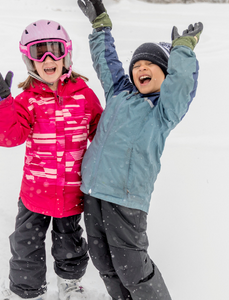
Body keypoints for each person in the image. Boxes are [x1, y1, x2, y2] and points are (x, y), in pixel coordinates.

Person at [77, 1, 203, 299]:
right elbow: (106, 62)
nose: (141, 68)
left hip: (126, 198)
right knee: (104, 262)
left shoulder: (163, 109)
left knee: (132, 267)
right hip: (93, 192)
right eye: (137, 65)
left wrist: (182, 51)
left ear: (166, 75)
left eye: (151, 65)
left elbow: (182, 84)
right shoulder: (119, 92)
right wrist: (101, 27)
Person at [0, 19, 103, 300]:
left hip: (73, 192)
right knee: (27, 246)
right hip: (35, 193)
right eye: (40, 53)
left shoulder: (84, 97)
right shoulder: (27, 100)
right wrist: (3, 105)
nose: (48, 59)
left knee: (70, 244)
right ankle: (28, 292)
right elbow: (8, 138)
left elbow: (101, 136)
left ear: (67, 55)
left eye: (54, 50)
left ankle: (70, 286)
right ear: (29, 60)